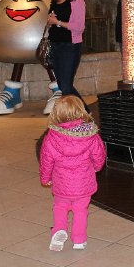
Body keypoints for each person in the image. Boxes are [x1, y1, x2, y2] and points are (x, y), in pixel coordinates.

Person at [39, 95, 106, 251]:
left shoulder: (51, 138)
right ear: (81, 111)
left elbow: (46, 161)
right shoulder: (91, 135)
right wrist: (97, 167)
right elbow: (99, 156)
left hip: (61, 183)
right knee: (81, 211)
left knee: (60, 207)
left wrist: (45, 178)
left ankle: (59, 230)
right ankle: (79, 240)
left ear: (56, 114)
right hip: (84, 183)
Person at [46, 0, 86, 105]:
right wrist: (50, 21)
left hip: (70, 46)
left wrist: (58, 22)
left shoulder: (77, 0)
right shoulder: (55, 0)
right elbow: (51, 22)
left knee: (66, 85)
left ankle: (78, 113)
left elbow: (79, 27)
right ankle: (83, 112)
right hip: (55, 44)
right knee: (63, 85)